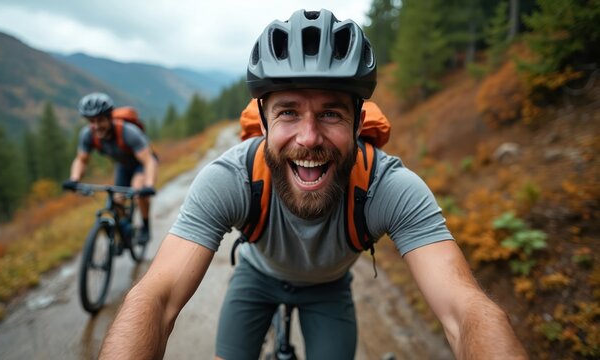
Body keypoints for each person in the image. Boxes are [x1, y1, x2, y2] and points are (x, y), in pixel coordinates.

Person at [99, 9, 527, 360]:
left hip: (329, 288)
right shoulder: (230, 178)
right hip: (256, 278)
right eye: (288, 113)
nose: (308, 138)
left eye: (330, 114)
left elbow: (465, 311)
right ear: (263, 120)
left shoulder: (388, 187)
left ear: (359, 122)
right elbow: (155, 300)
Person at [64, 92, 158, 244]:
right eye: (91, 121)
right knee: (117, 201)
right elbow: (81, 160)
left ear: (109, 117)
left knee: (138, 192)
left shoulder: (128, 132)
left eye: (100, 120)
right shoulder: (88, 135)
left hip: (141, 165)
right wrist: (74, 179)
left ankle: (146, 227)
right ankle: (124, 229)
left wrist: (149, 185)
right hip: (122, 165)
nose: (95, 126)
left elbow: (148, 161)